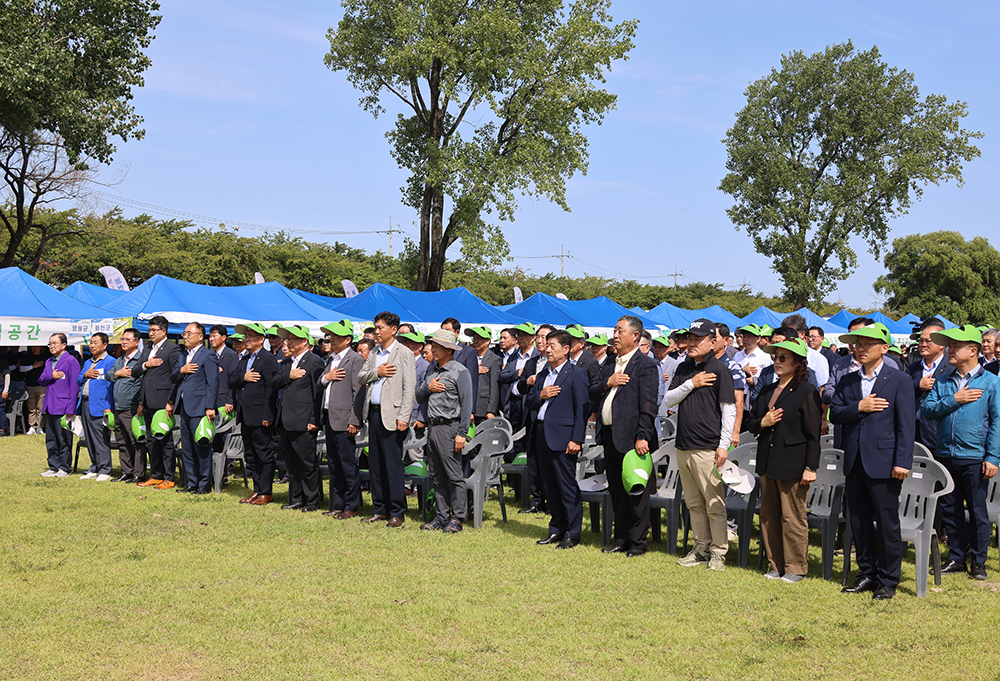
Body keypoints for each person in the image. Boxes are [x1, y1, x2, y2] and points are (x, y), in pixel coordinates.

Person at [830, 322, 915, 600]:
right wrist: (859, 407)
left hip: (885, 461)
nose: (861, 348)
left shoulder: (899, 379)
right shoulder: (848, 380)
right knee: (859, 521)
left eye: (867, 343)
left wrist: (902, 461)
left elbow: (905, 426)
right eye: (858, 343)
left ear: (884, 348)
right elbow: (835, 414)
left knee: (887, 522)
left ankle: (889, 579)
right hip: (855, 461)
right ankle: (866, 573)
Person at [921, 325, 1000, 581]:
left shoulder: (991, 382)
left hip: (975, 456)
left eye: (955, 346)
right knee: (950, 509)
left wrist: (993, 457)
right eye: (949, 345)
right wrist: (955, 399)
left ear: (973, 350)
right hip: (945, 454)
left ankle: (978, 561)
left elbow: (998, 421)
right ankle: (956, 557)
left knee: (977, 511)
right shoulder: (944, 380)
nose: (949, 350)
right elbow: (927, 410)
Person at [744, 338, 821, 583]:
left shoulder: (807, 391)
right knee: (768, 515)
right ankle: (776, 564)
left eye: (783, 358)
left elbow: (813, 433)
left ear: (798, 363)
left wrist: (810, 467)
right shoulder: (767, 390)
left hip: (794, 464)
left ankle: (796, 566)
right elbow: (751, 422)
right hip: (767, 461)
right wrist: (762, 423)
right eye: (775, 357)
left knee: (792, 516)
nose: (777, 361)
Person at [665, 319, 736, 571]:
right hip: (683, 445)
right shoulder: (684, 368)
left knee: (714, 504)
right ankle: (701, 546)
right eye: (690, 339)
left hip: (708, 447)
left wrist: (723, 445)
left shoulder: (720, 370)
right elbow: (668, 400)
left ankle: (718, 551)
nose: (692, 343)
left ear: (713, 341)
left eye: (698, 339)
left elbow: (729, 410)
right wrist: (690, 384)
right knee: (694, 503)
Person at [592, 315, 659, 558]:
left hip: (633, 440)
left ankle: (638, 543)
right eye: (615, 330)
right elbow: (593, 389)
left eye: (620, 331)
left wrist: (643, 435)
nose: (615, 335)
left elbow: (649, 405)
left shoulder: (645, 364)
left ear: (635, 336)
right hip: (610, 436)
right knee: (617, 492)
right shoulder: (610, 362)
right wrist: (608, 382)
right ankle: (620, 539)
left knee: (636, 493)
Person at [525, 330, 589, 548]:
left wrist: (576, 439)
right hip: (542, 433)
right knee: (549, 485)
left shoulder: (576, 373)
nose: (548, 348)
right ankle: (556, 529)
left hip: (564, 437)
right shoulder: (543, 373)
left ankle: (573, 532)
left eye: (552, 345)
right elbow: (530, 401)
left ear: (566, 349)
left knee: (566, 485)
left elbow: (581, 409)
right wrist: (540, 395)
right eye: (546, 344)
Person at [357, 311, 416, 527]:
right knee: (375, 464)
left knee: (392, 465)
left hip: (393, 415)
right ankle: (379, 508)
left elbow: (409, 389)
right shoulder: (374, 353)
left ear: (394, 330)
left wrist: (404, 416)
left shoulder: (404, 353)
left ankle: (397, 511)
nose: (377, 331)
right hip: (373, 413)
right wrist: (378, 371)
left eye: (381, 327)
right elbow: (361, 376)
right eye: (376, 327)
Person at [416, 329, 474, 533]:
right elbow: (419, 396)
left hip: (450, 427)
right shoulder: (432, 370)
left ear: (449, 350)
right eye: (433, 345)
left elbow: (467, 405)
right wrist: (428, 388)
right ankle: (441, 517)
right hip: (433, 427)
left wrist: (462, 433)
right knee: (436, 475)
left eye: (437, 346)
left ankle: (457, 518)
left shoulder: (460, 371)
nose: (433, 349)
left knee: (454, 475)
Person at [272, 325, 325, 511]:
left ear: (304, 342)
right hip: (285, 420)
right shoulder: (287, 363)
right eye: (287, 339)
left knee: (307, 462)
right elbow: (274, 382)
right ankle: (296, 498)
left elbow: (318, 393)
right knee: (291, 462)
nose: (288, 342)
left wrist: (314, 420)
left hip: (304, 421)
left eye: (293, 339)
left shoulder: (315, 362)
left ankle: (311, 500)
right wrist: (289, 375)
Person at [317, 320, 364, 519]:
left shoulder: (354, 359)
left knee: (347, 464)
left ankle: (351, 505)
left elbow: (359, 391)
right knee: (334, 464)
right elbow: (320, 382)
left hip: (345, 419)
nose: (331, 340)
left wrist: (355, 420)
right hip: (329, 416)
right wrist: (327, 377)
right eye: (330, 336)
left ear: (347, 339)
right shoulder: (331, 359)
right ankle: (338, 504)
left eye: (336, 336)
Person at [231, 323, 280, 505]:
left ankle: (266, 491)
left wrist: (267, 415)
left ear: (261, 339)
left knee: (264, 454)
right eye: (246, 336)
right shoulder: (245, 359)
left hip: (260, 415)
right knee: (250, 454)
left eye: (251, 336)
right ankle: (257, 489)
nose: (247, 339)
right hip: (246, 414)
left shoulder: (267, 359)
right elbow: (231, 380)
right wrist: (243, 378)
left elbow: (271, 389)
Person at [171, 323, 219, 495]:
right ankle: (192, 482)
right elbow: (174, 376)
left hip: (200, 407)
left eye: (189, 333)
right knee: (188, 448)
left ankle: (204, 484)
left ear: (200, 336)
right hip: (184, 407)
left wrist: (210, 407)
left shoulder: (208, 355)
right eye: (184, 333)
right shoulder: (183, 355)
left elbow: (212, 383)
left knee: (202, 446)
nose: (185, 336)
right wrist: (182, 370)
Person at [135, 316, 181, 489]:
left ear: (164, 331)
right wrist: (147, 364)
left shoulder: (173, 349)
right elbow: (135, 371)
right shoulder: (147, 349)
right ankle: (155, 474)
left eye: (154, 330)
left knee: (165, 441)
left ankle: (169, 476)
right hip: (147, 401)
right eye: (149, 330)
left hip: (163, 402)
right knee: (151, 441)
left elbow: (176, 377)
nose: (151, 333)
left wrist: (171, 401)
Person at [514, 323, 555, 513]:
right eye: (538, 336)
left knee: (549, 462)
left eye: (545, 337)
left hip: (549, 418)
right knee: (533, 459)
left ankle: (550, 500)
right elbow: (520, 387)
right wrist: (528, 382)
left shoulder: (557, 363)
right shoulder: (531, 362)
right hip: (530, 415)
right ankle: (536, 499)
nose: (540, 340)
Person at [38, 334, 81, 477]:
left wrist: (71, 408)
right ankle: (53, 465)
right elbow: (42, 380)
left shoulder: (71, 361)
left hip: (63, 406)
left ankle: (65, 466)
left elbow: (74, 386)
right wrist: (52, 375)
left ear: (64, 345)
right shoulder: (49, 361)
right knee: (50, 438)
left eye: (55, 343)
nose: (51, 346)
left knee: (63, 438)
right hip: (49, 405)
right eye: (50, 343)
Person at [906, 317, 949, 453]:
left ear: (941, 344)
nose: (923, 344)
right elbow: (901, 391)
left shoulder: (951, 368)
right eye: (921, 340)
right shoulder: (913, 367)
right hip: (912, 431)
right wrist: (917, 384)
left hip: (938, 433)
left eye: (928, 341)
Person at [77, 333, 117, 481]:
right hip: (86, 403)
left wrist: (108, 407)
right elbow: (78, 379)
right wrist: (85, 375)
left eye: (95, 342)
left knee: (100, 438)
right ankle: (94, 466)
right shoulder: (88, 362)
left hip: (100, 405)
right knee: (89, 437)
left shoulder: (110, 362)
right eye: (91, 343)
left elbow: (110, 387)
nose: (92, 345)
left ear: (104, 345)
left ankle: (105, 469)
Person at [108, 328, 145, 483]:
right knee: (122, 440)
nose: (123, 342)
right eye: (122, 339)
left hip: (132, 406)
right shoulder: (120, 359)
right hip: (118, 406)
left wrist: (140, 404)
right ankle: (126, 471)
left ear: (137, 342)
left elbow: (143, 383)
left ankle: (138, 473)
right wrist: (118, 373)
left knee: (135, 441)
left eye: (127, 339)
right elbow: (109, 375)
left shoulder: (141, 359)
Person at [781, 314, 829, 390]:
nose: (785, 337)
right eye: (783, 333)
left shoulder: (818, 358)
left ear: (802, 334)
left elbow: (821, 387)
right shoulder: (776, 355)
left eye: (790, 333)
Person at [466, 326, 500, 423]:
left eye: (479, 338)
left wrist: (491, 410)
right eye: (474, 338)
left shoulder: (494, 359)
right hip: (469, 406)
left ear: (488, 341)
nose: (475, 341)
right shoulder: (470, 358)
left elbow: (495, 387)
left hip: (483, 409)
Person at [440, 317, 479, 400]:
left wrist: (471, 410)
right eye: (442, 331)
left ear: (457, 332)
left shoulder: (468, 352)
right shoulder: (437, 351)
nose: (444, 334)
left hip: (459, 401)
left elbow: (472, 382)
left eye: (447, 331)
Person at [22, 345, 50, 434]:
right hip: (30, 385)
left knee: (40, 408)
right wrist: (33, 366)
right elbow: (21, 369)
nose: (34, 348)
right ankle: (32, 426)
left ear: (41, 348)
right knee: (31, 408)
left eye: (37, 347)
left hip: (41, 386)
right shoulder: (28, 357)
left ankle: (39, 426)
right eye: (33, 347)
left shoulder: (45, 358)